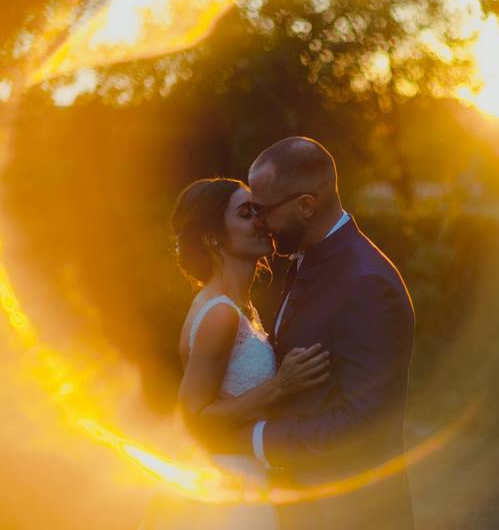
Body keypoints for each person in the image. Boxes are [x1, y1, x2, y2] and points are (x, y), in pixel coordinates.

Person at [245, 137, 415, 530]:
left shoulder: (367, 283)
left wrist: (261, 439)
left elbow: (365, 424)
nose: (258, 222)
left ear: (306, 205)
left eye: (263, 210)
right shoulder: (309, 257)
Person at [142, 177, 330, 529]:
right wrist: (281, 386)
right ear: (213, 236)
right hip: (232, 492)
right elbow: (192, 416)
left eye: (259, 211)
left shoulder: (238, 307)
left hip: (248, 476)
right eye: (246, 214)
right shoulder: (220, 314)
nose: (262, 222)